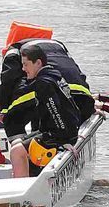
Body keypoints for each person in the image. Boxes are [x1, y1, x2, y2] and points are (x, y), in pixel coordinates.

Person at [0, 38, 94, 141]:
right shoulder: (57, 44)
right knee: (41, 109)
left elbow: (8, 80)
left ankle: (23, 151)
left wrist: (4, 110)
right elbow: (76, 70)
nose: (23, 68)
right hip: (81, 95)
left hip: (50, 87)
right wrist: (88, 96)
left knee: (12, 118)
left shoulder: (14, 50)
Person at [8, 42, 80, 177]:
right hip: (65, 131)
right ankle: (26, 177)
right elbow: (71, 107)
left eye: (25, 64)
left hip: (60, 135)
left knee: (16, 151)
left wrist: (64, 141)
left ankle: (22, 193)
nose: (23, 69)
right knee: (16, 142)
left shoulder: (44, 83)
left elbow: (56, 112)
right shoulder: (54, 75)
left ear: (38, 63)